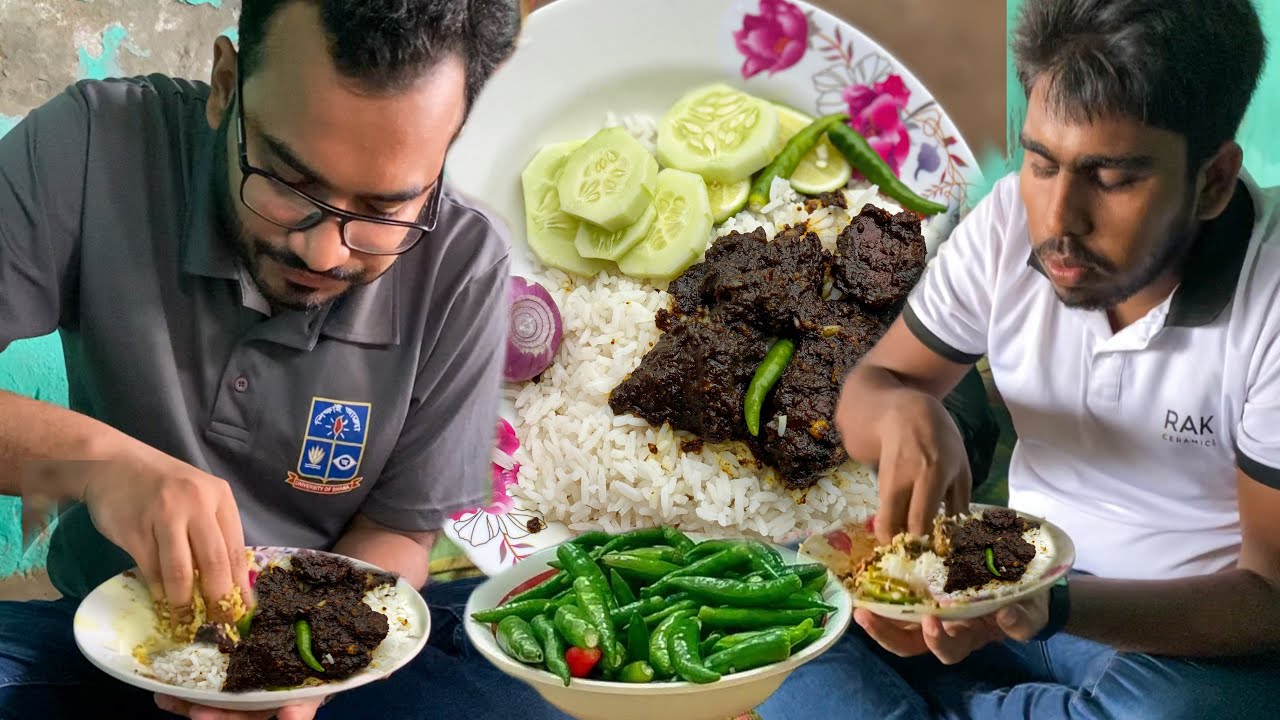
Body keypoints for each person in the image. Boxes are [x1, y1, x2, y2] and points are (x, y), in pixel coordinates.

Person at [0, 2, 583, 718]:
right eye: (288, 183)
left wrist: (302, 676)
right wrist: (97, 466)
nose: (323, 251)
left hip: (332, 648)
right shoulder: (93, 144)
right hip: (103, 635)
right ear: (225, 85)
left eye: (384, 209)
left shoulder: (464, 266)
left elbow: (399, 532)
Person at [760, 0, 1280, 718]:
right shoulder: (1006, 221)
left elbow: (1267, 600)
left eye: (1111, 177)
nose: (1057, 220)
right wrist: (905, 411)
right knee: (772, 588)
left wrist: (1045, 607)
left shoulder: (1270, 300)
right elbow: (874, 389)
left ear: (1213, 181)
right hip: (1011, 574)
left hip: (1174, 637)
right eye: (1041, 161)